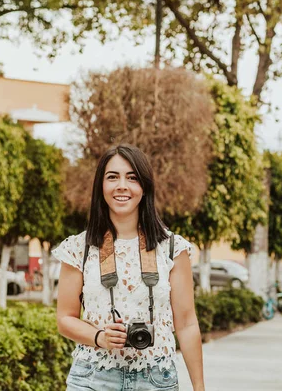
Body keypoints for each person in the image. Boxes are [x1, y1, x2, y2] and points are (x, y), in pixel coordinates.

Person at [54, 144, 204, 391]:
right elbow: (64, 319)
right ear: (100, 187)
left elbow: (187, 324)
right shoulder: (78, 248)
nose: (122, 185)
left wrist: (199, 387)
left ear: (144, 188)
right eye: (112, 177)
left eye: (132, 178)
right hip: (93, 377)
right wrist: (100, 337)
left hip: (157, 379)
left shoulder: (172, 248)